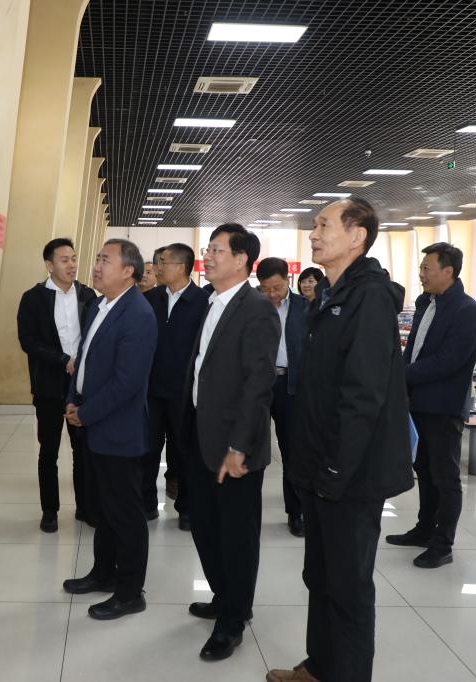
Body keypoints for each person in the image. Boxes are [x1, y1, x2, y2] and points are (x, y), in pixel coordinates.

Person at [270, 198, 413, 682]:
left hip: (350, 474)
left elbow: (362, 395)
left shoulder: (368, 297)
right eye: (314, 225)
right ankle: (320, 667)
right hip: (321, 465)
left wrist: (334, 470)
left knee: (348, 588)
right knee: (320, 577)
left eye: (324, 224)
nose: (313, 233)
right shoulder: (332, 295)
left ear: (357, 236)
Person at [184, 224, 280, 661]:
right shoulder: (213, 302)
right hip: (202, 436)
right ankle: (226, 596)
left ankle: (232, 622)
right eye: (208, 248)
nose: (207, 256)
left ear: (242, 260)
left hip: (234, 446)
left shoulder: (256, 309)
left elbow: (258, 385)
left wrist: (239, 446)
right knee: (205, 526)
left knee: (236, 536)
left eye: (217, 250)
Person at [62, 239, 158, 621]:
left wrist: (86, 414)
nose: (96, 266)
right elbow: (82, 359)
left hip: (117, 429)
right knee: (103, 508)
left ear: (128, 271)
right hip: (93, 423)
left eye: (105, 260)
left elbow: (127, 382)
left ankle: (130, 591)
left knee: (126, 514)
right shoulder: (99, 305)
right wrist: (73, 399)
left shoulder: (138, 314)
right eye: (98, 258)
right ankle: (103, 573)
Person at [386, 242, 476, 568]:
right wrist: (401, 374)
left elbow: (449, 361)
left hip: (443, 406)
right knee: (424, 471)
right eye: (421, 268)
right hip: (418, 402)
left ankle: (443, 544)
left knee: (445, 476)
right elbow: (414, 349)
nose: (421, 274)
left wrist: (401, 375)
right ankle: (424, 529)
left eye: (427, 268)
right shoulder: (426, 303)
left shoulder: (466, 311)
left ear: (448, 271)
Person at [16, 238, 97, 533]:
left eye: (73, 258)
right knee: (48, 450)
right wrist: (63, 359)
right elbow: (28, 341)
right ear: (49, 265)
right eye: (64, 260)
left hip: (81, 384)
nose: (72, 265)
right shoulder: (33, 298)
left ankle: (85, 507)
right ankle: (49, 511)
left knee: (82, 450)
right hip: (49, 384)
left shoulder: (88, 295)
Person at [143, 243, 210, 530]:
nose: (157, 268)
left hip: (184, 393)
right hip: (151, 391)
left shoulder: (203, 301)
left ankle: (186, 508)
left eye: (163, 262)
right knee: (147, 448)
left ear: (181, 267)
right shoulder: (150, 299)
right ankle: (146, 503)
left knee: (184, 452)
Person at [256, 257, 310, 537]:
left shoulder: (304, 307)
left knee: (293, 451)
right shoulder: (252, 305)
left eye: (276, 288)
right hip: (258, 385)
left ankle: (296, 511)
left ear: (288, 281)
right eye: (265, 288)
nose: (272, 294)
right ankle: (248, 510)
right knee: (251, 448)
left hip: (291, 385)